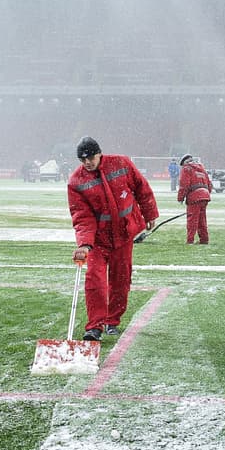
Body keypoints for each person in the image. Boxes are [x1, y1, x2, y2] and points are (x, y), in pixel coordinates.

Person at [67, 136, 158, 342]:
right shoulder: (76, 182)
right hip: (98, 241)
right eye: (83, 160)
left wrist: (150, 212)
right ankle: (94, 327)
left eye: (90, 157)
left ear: (99, 153)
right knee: (95, 280)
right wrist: (84, 244)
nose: (87, 163)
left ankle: (112, 321)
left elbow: (141, 187)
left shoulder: (121, 163)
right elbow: (82, 216)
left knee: (121, 280)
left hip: (124, 234)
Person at [176, 154, 213, 244]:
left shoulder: (186, 169)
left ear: (184, 163)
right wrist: (206, 194)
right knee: (202, 220)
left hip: (194, 197)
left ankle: (190, 240)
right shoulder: (201, 168)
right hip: (205, 195)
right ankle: (204, 240)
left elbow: (184, 184)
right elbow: (209, 184)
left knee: (192, 220)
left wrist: (180, 198)